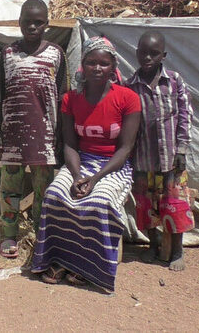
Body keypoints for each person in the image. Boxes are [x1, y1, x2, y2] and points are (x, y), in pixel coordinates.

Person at [31, 37, 141, 292]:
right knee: (55, 195)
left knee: (99, 201)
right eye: (91, 62)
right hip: (81, 162)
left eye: (104, 63)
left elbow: (125, 148)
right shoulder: (70, 99)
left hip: (114, 165)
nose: (97, 68)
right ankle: (57, 259)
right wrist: (78, 175)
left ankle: (89, 266)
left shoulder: (128, 98)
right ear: (83, 65)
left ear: (114, 66)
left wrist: (94, 180)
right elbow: (69, 145)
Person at [0, 0, 68, 258]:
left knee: (43, 187)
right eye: (27, 22)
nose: (32, 27)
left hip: (44, 134)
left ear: (47, 24)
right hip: (12, 132)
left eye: (38, 22)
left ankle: (41, 233)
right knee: (10, 184)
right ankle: (10, 234)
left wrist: (60, 135)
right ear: (19, 23)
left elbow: (62, 98)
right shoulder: (8, 53)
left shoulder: (56, 54)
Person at [125, 31, 194, 271]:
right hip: (143, 160)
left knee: (175, 205)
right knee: (146, 206)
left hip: (171, 159)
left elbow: (185, 115)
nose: (147, 57)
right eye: (143, 52)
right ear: (136, 53)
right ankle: (153, 245)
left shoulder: (174, 81)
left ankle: (177, 250)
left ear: (163, 55)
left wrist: (182, 149)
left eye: (154, 53)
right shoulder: (130, 85)